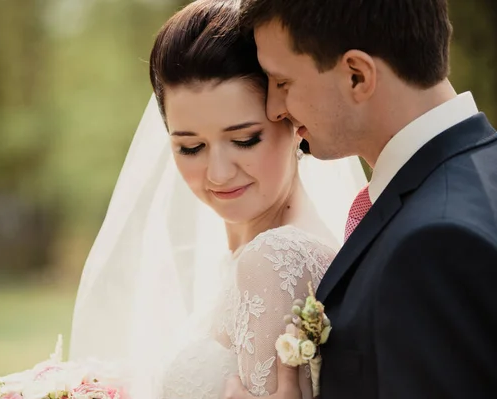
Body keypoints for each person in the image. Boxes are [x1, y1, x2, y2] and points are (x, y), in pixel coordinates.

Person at [68, 0, 366, 398]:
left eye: (244, 140)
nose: (218, 173)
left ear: (292, 119)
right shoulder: (242, 256)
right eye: (191, 147)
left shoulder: (275, 259)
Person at [227, 0, 497, 398]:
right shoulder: (473, 177)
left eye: (283, 83)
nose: (274, 108)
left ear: (357, 75)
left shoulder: (434, 243)